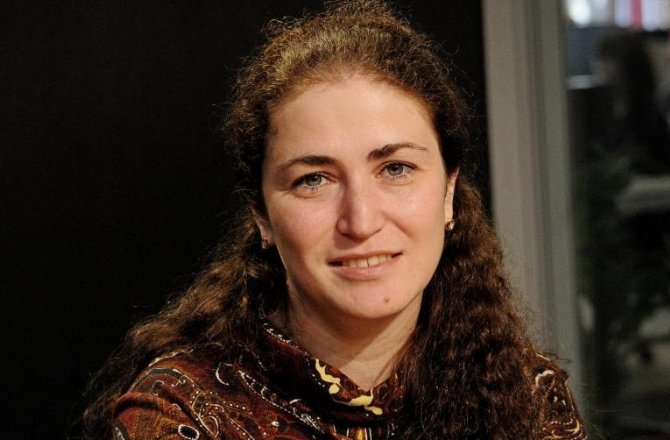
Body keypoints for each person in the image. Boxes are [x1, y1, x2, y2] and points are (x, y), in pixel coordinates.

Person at [83, 1, 587, 438]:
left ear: (449, 193)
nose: (361, 221)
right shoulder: (180, 415)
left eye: (395, 169)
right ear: (261, 215)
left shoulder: (528, 397)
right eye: (314, 180)